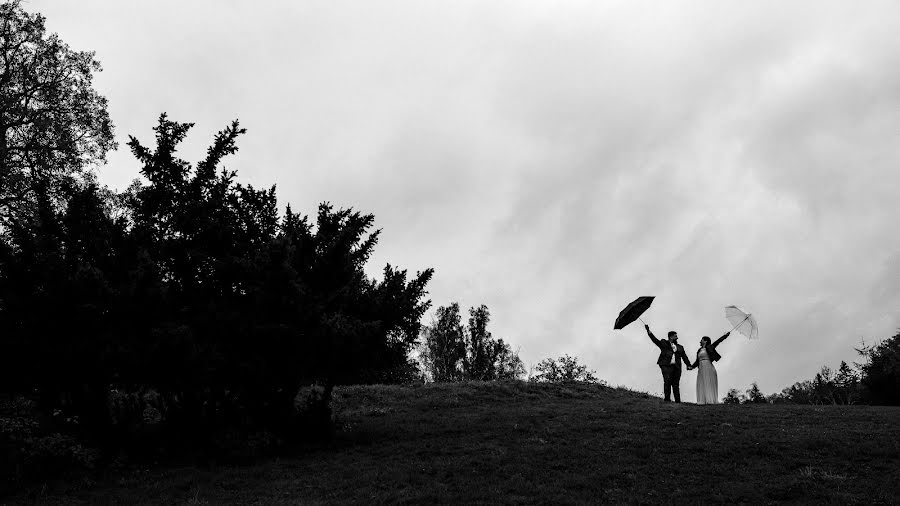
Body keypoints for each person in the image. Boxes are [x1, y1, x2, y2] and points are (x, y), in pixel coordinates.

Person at [644, 324, 692, 403]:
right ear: (671, 337)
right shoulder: (663, 343)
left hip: (677, 367)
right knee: (667, 381)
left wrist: (689, 365)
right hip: (666, 365)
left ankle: (677, 401)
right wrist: (648, 331)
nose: (677, 337)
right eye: (675, 336)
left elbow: (684, 357)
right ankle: (667, 400)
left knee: (676, 384)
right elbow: (655, 340)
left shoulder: (680, 347)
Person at [688, 332, 731, 405]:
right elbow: (697, 361)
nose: (700, 341)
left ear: (705, 341)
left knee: (708, 382)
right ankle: (703, 400)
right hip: (701, 367)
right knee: (702, 382)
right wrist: (691, 366)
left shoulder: (710, 347)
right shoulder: (699, 350)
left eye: (701, 340)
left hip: (708, 366)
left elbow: (718, 341)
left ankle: (710, 400)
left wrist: (725, 336)